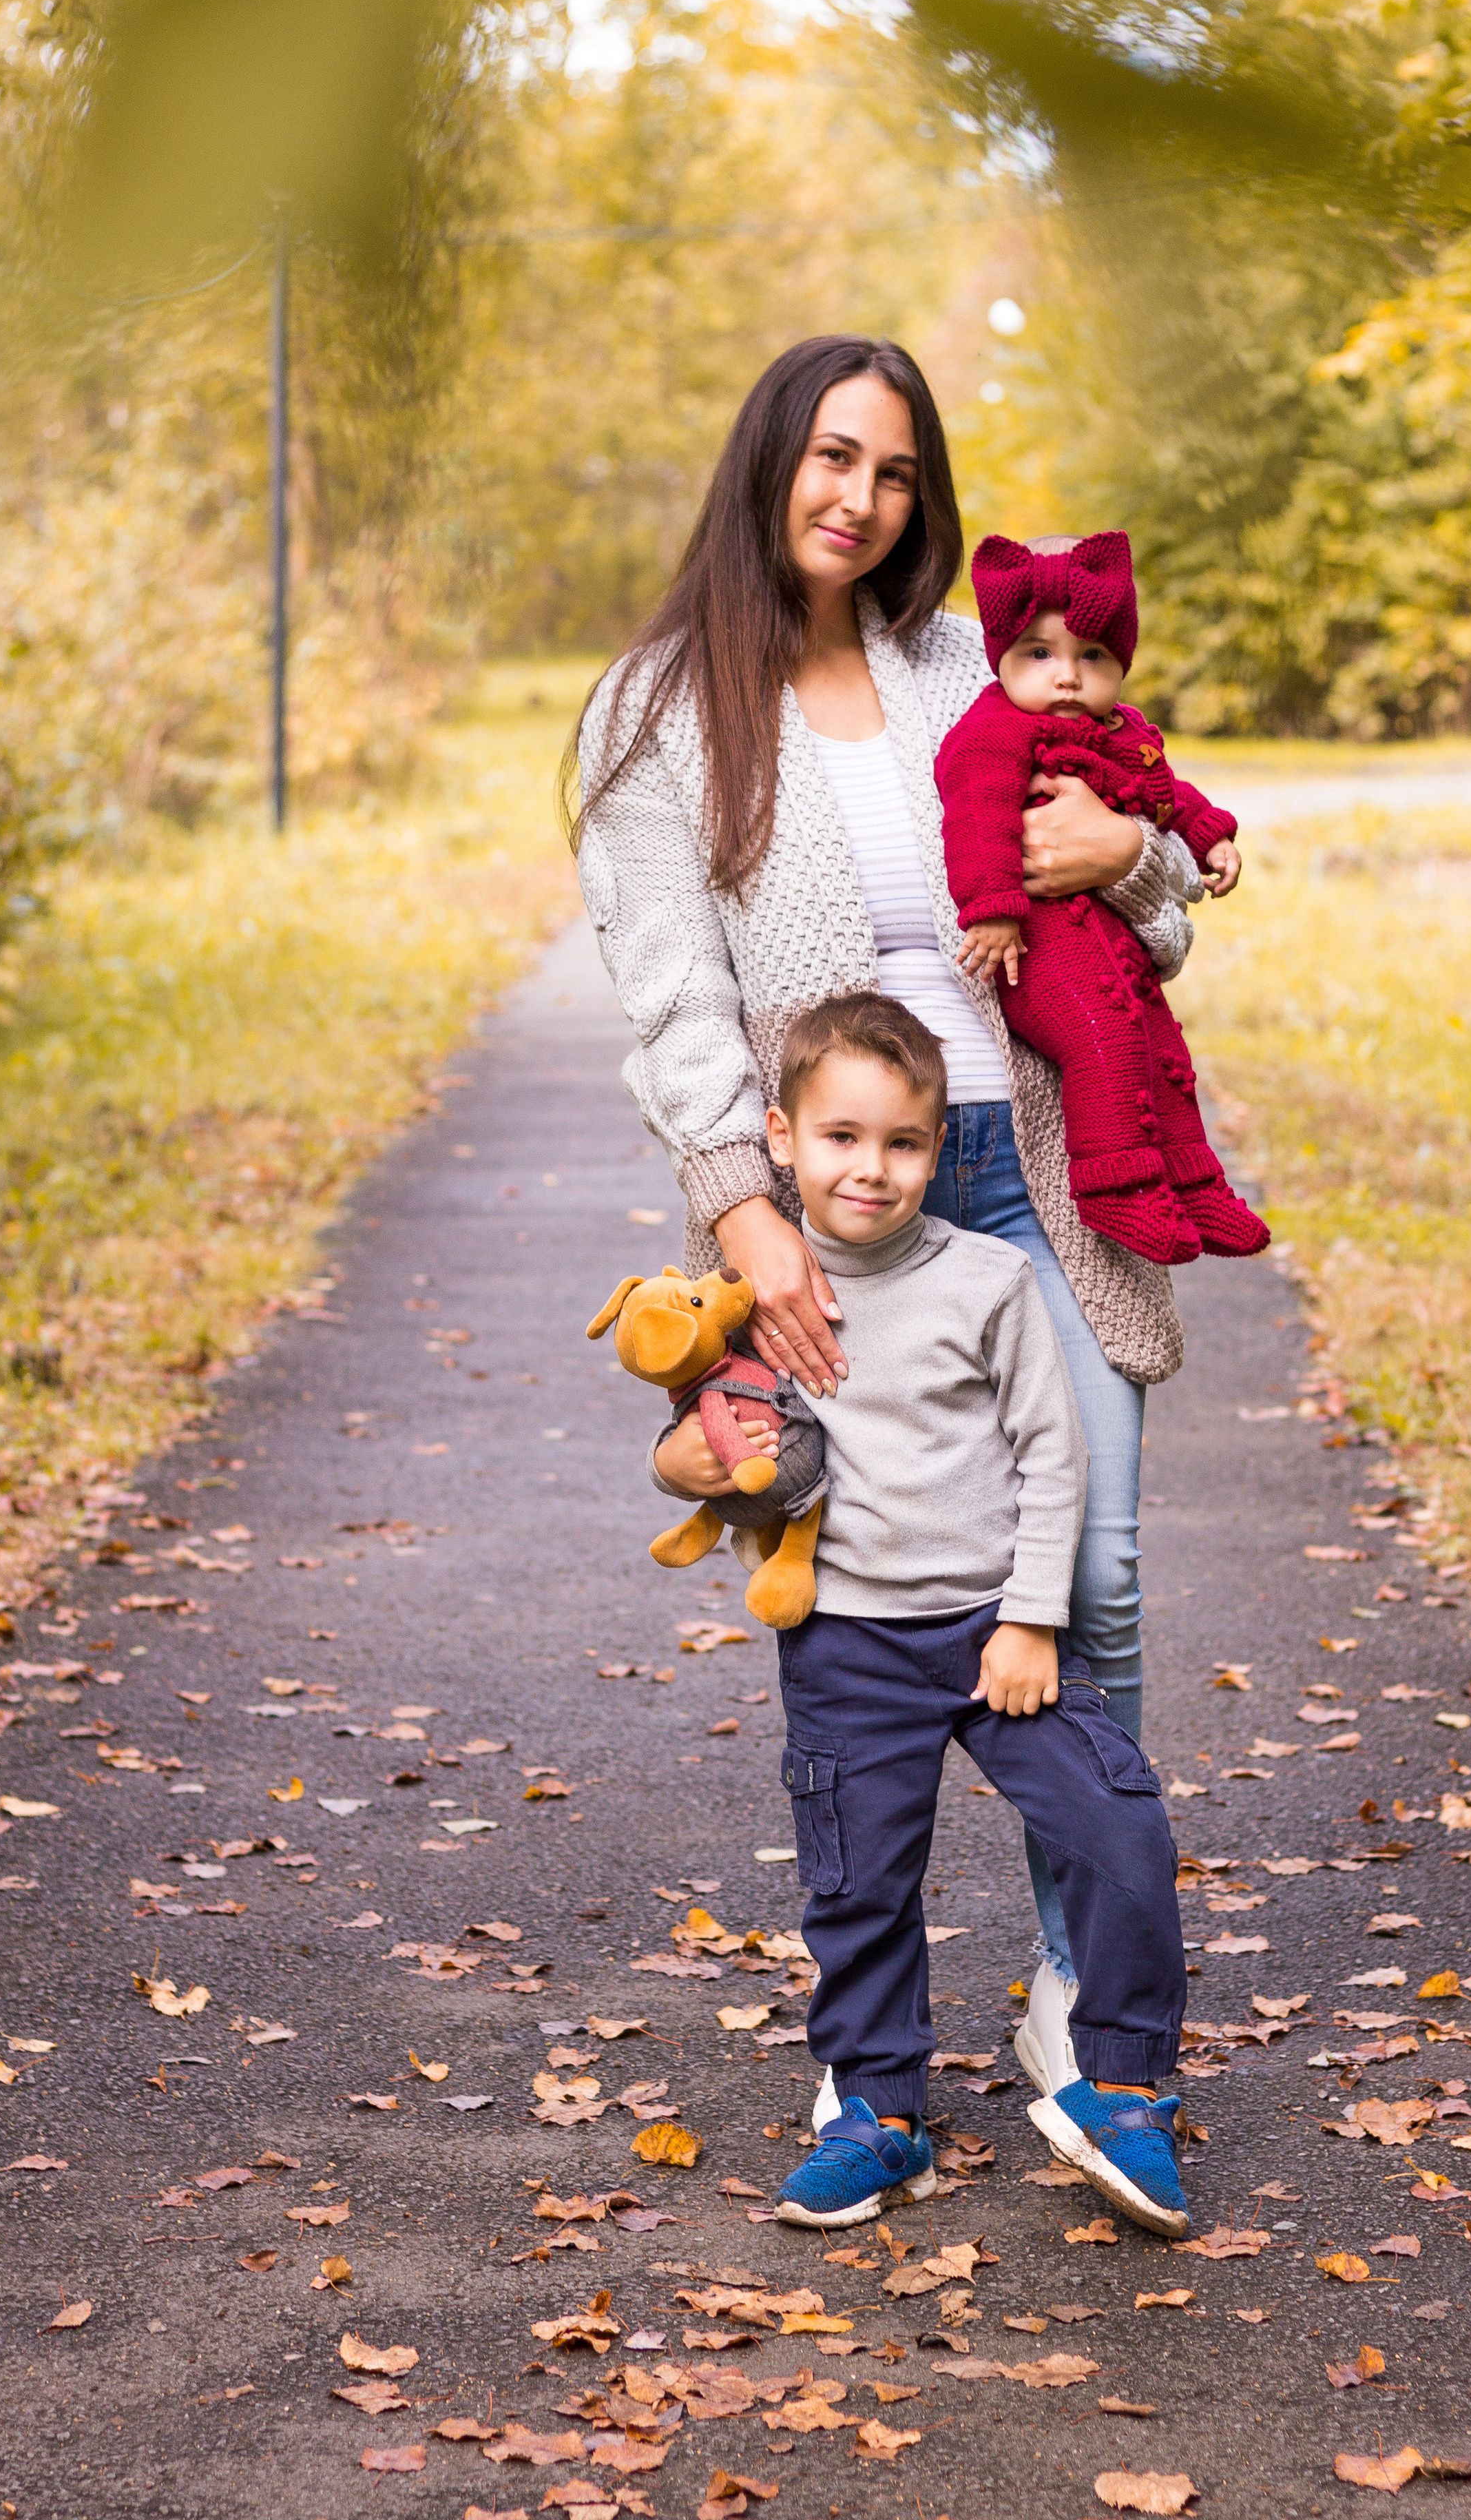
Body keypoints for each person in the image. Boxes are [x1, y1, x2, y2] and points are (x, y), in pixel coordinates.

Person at [572, 333, 1199, 2117]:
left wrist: (1128, 863)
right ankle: (874, 2051)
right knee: (855, 1606)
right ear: (774, 457)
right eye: (836, 455)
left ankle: (1086, 1991)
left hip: (1050, 1175)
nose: (861, 495)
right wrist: (740, 1206)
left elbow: (1154, 897)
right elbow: (677, 1000)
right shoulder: (660, 708)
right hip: (845, 1211)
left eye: (900, 470)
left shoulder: (970, 670)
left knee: (1105, 1584)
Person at [652, 992, 1190, 2233]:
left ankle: (1121, 2088)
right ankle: (879, 2113)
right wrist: (675, 1468)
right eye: (841, 1138)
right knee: (860, 1881)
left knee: (1120, 1826)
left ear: (939, 1150)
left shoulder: (990, 1280)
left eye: (902, 1143)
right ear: (781, 1139)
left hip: (994, 1633)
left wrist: (1030, 1619)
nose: (871, 1168)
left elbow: (1055, 1459)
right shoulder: (750, 1294)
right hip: (846, 1642)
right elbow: (706, 1442)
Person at [937, 529, 1269, 1266]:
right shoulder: (992, 731)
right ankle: (1115, 1187)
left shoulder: (1124, 733)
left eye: (1092, 656)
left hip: (1113, 943)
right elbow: (975, 813)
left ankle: (1193, 1178)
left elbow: (1163, 792)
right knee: (1103, 1040)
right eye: (1040, 654)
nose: (1067, 677)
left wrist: (1209, 833)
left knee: (1164, 1051)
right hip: (1039, 946)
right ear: (1002, 659)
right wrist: (991, 908)